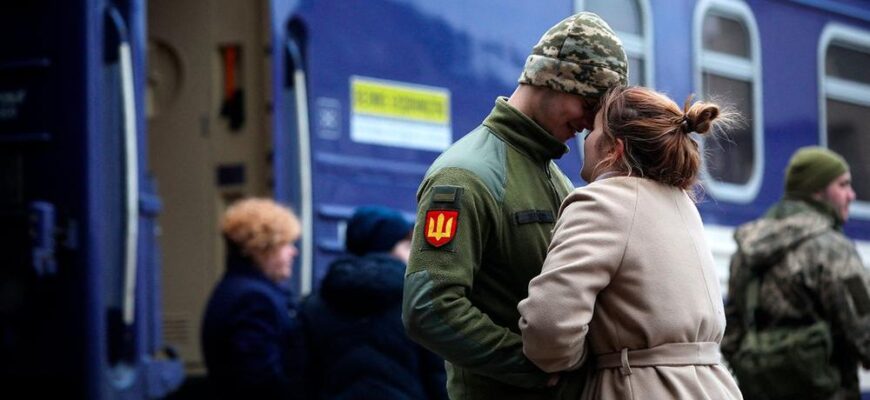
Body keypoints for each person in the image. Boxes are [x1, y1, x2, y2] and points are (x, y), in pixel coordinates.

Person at [402, 12, 628, 400]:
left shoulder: (554, 177)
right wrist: (532, 366)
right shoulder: (463, 176)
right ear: (554, 78)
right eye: (589, 103)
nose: (592, 123)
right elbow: (429, 306)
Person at [517, 86, 742, 399]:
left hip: (640, 388)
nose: (585, 138)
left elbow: (549, 327)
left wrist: (578, 362)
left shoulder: (602, 202)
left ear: (615, 149)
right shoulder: (683, 203)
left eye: (594, 131)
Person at [721, 147, 870, 400]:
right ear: (817, 190)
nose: (851, 195)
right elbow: (865, 332)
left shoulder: (747, 249)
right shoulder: (832, 250)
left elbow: (731, 334)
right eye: (843, 185)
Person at [302, 205, 447, 400]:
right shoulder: (421, 304)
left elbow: (299, 380)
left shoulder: (315, 305)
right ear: (386, 247)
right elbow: (439, 379)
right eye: (406, 246)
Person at [201, 198, 307, 399]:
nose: (294, 252)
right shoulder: (253, 299)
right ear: (262, 248)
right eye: (285, 244)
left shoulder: (233, 289)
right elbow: (261, 380)